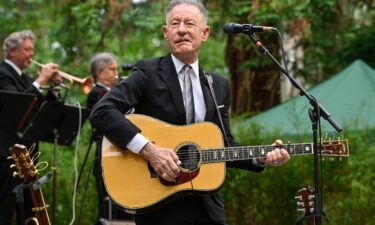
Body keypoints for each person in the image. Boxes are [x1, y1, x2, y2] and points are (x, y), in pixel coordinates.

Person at [89, 1, 290, 225]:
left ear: (204, 33)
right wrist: (149, 150)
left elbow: (223, 145)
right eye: (175, 24)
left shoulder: (219, 85)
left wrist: (261, 156)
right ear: (166, 33)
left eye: (189, 23)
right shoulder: (148, 72)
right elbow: (102, 111)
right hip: (159, 203)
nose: (181, 29)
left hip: (208, 207)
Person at [0, 30, 60, 224]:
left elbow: (37, 112)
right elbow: (17, 107)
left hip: (27, 156)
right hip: (7, 154)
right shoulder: (3, 74)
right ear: (11, 52)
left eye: (32, 50)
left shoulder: (25, 79)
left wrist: (52, 90)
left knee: (29, 210)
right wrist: (40, 80)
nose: (31, 55)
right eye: (26, 50)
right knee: (5, 208)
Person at [87, 52, 134, 224]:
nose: (117, 73)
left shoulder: (114, 91)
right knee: (108, 207)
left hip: (119, 151)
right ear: (99, 73)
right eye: (112, 69)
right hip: (106, 154)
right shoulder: (96, 93)